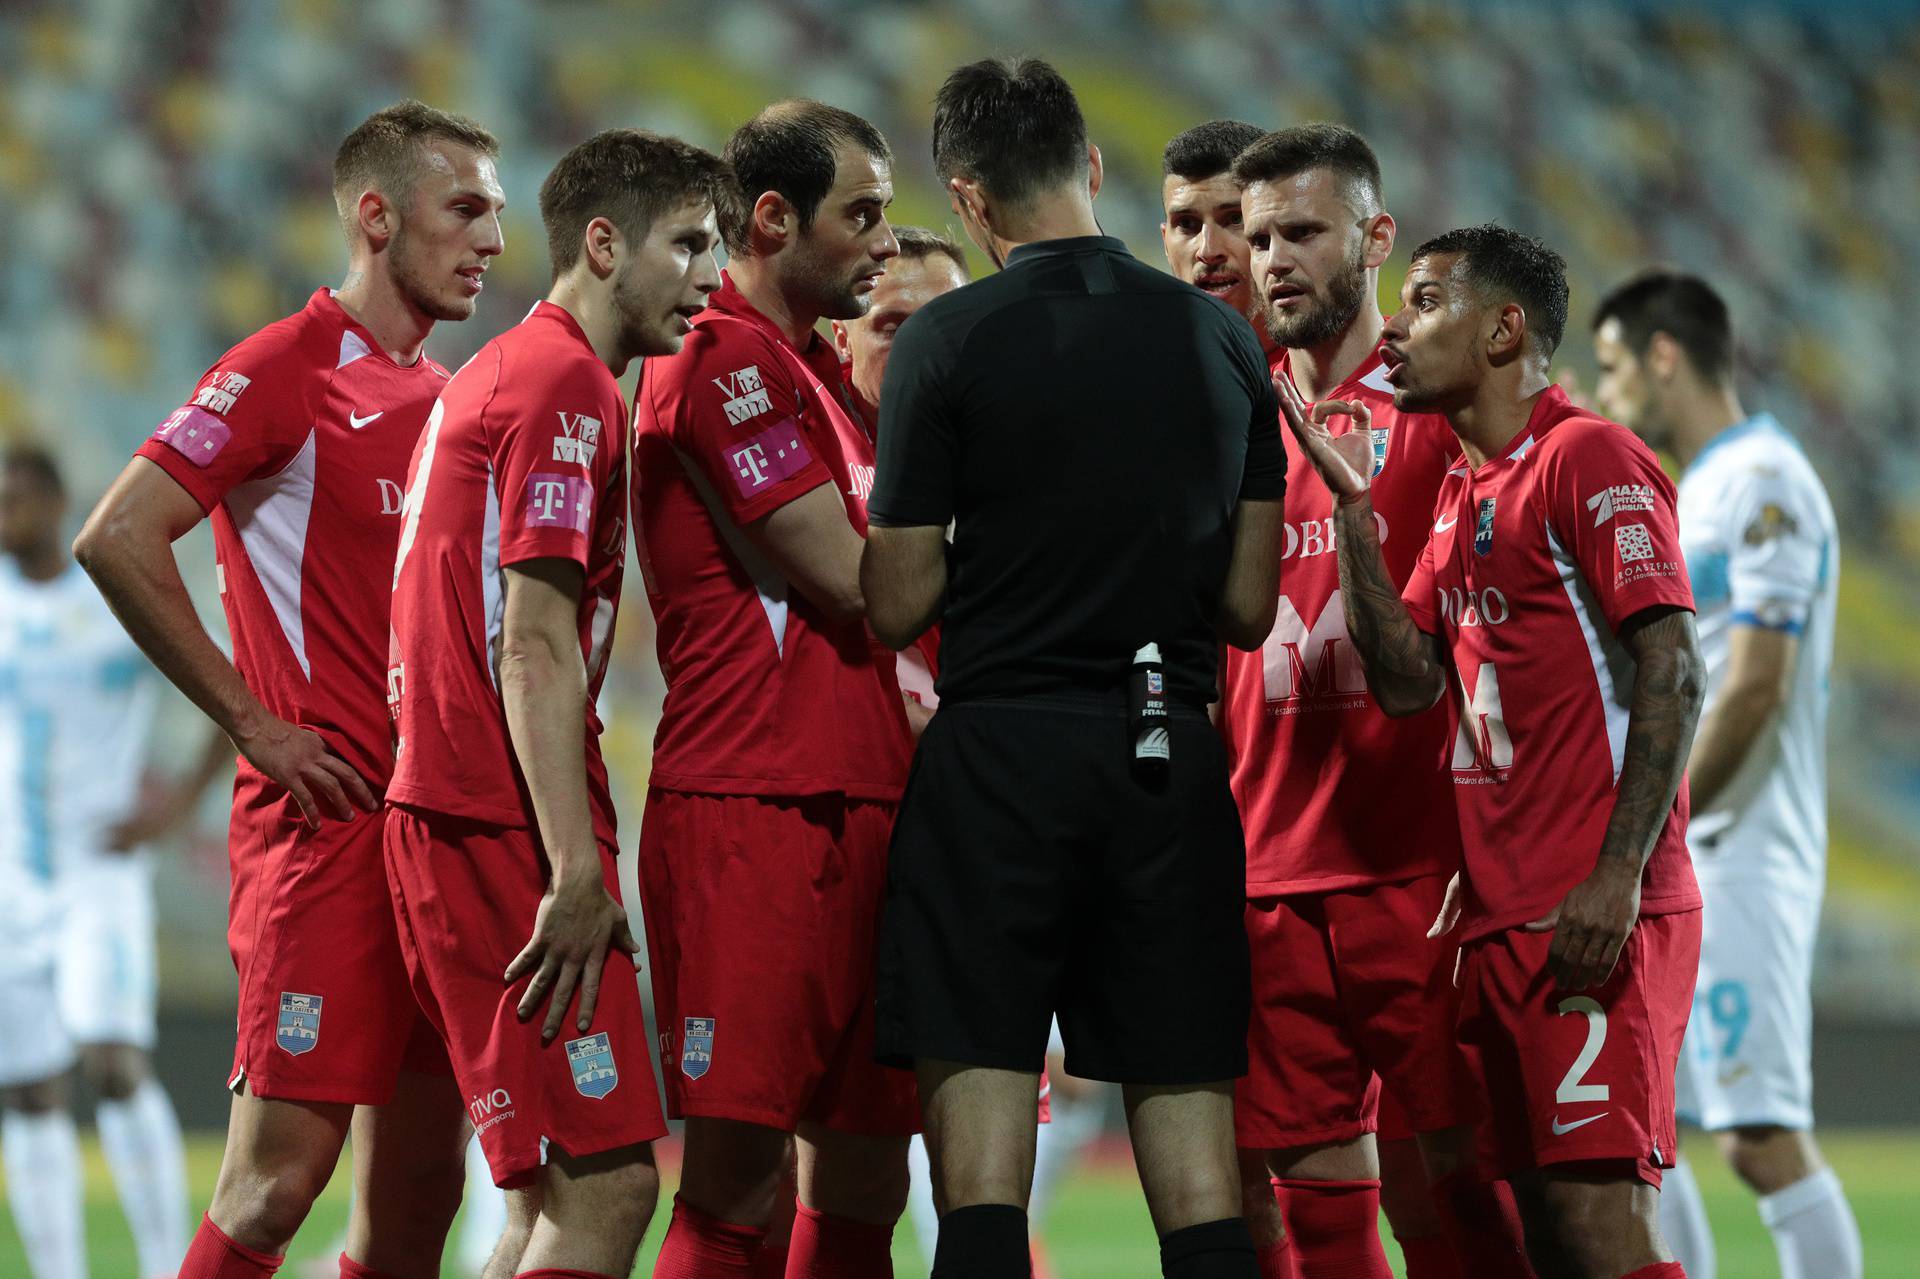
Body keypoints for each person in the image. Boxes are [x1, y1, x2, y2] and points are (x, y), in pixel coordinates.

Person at [865, 57, 1288, 1279]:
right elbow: (1250, 607)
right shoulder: (1219, 338)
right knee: (1200, 1175)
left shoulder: (945, 337)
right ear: (1092, 169)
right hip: (1165, 747)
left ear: (969, 202)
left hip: (999, 752)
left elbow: (897, 600)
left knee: (983, 1182)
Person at [74, 100, 504, 1279]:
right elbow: (117, 537)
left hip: (432, 845)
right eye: (465, 209)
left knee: (418, 1203)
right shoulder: (282, 367)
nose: (493, 242)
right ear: (375, 215)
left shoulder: (447, 398)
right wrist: (256, 726)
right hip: (326, 842)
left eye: (500, 215)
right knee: (271, 1189)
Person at [1282, 222, 1705, 1279]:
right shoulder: (1466, 492)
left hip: (1595, 914)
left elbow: (1675, 668)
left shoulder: (1585, 456)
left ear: (1505, 329)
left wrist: (1618, 874)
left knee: (1600, 1229)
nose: (1396, 332)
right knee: (1545, 1235)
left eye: (1425, 303)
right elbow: (1407, 679)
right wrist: (1354, 515)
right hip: (1502, 916)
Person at [384, 126, 732, 1279]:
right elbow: (530, 642)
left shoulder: (501, 369)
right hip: (499, 823)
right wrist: (579, 871)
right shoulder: (565, 385)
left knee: (542, 1200)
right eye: (686, 243)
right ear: (602, 242)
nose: (712, 274)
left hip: (461, 809)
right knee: (614, 1185)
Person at [1221, 126, 1532, 1279]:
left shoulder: (1441, 410)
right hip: (1267, 873)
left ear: (1375, 236)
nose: (1274, 259)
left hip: (1421, 871)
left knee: (1470, 1200)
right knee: (1315, 1208)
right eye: (1261, 238)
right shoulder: (1233, 412)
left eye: (1303, 231)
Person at [631, 99, 918, 1279]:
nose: (884, 242)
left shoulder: (814, 376)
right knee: (738, 1178)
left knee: (863, 1168)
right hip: (756, 812)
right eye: (862, 215)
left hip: (866, 804)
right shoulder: (718, 361)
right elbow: (858, 581)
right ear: (771, 216)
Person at [1591, 269, 1859, 1279]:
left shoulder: (1766, 483)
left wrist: (1653, 816)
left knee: (1758, 1138)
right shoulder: (1693, 486)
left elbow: (1753, 686)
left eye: (1616, 369)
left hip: (1741, 853)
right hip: (1691, 851)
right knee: (1653, 1134)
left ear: (1666, 355)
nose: (1609, 392)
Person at [0, 445, 219, 1279]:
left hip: (100, 871)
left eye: (17, 497)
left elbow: (219, 683)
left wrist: (175, 807)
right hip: (11, 878)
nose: (4, 513)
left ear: (56, 502)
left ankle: (168, 1266)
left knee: (113, 1061)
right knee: (28, 1091)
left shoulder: (111, 595)